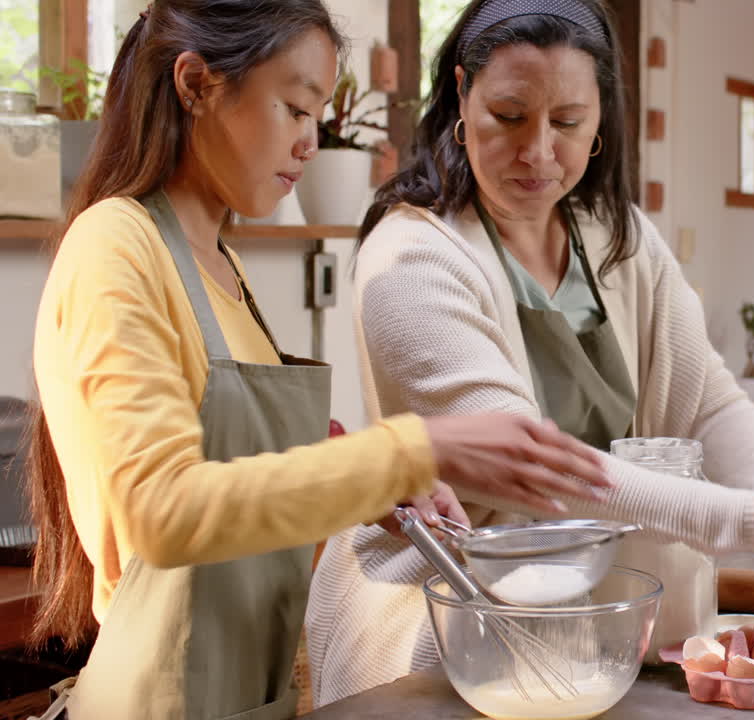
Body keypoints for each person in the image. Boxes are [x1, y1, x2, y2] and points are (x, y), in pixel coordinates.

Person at [24, 2, 610, 718]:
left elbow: (246, 471)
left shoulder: (223, 267)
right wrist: (407, 450)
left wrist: (377, 484)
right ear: (196, 84)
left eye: (320, 116)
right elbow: (162, 510)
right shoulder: (115, 247)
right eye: (297, 109)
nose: (310, 142)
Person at [304, 0, 754, 705]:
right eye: (510, 116)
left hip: (600, 630)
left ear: (602, 116)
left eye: (568, 122)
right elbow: (534, 470)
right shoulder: (411, 260)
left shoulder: (617, 236)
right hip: (443, 637)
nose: (539, 152)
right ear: (462, 93)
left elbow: (704, 402)